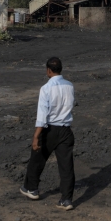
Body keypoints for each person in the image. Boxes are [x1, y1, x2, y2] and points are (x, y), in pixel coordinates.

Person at [20, 56, 75, 210]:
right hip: (66, 130)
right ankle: (66, 200)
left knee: (37, 158)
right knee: (66, 166)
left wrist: (36, 136)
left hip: (49, 129)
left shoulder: (46, 88)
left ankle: (32, 189)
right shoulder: (70, 86)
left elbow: (42, 115)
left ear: (48, 70)